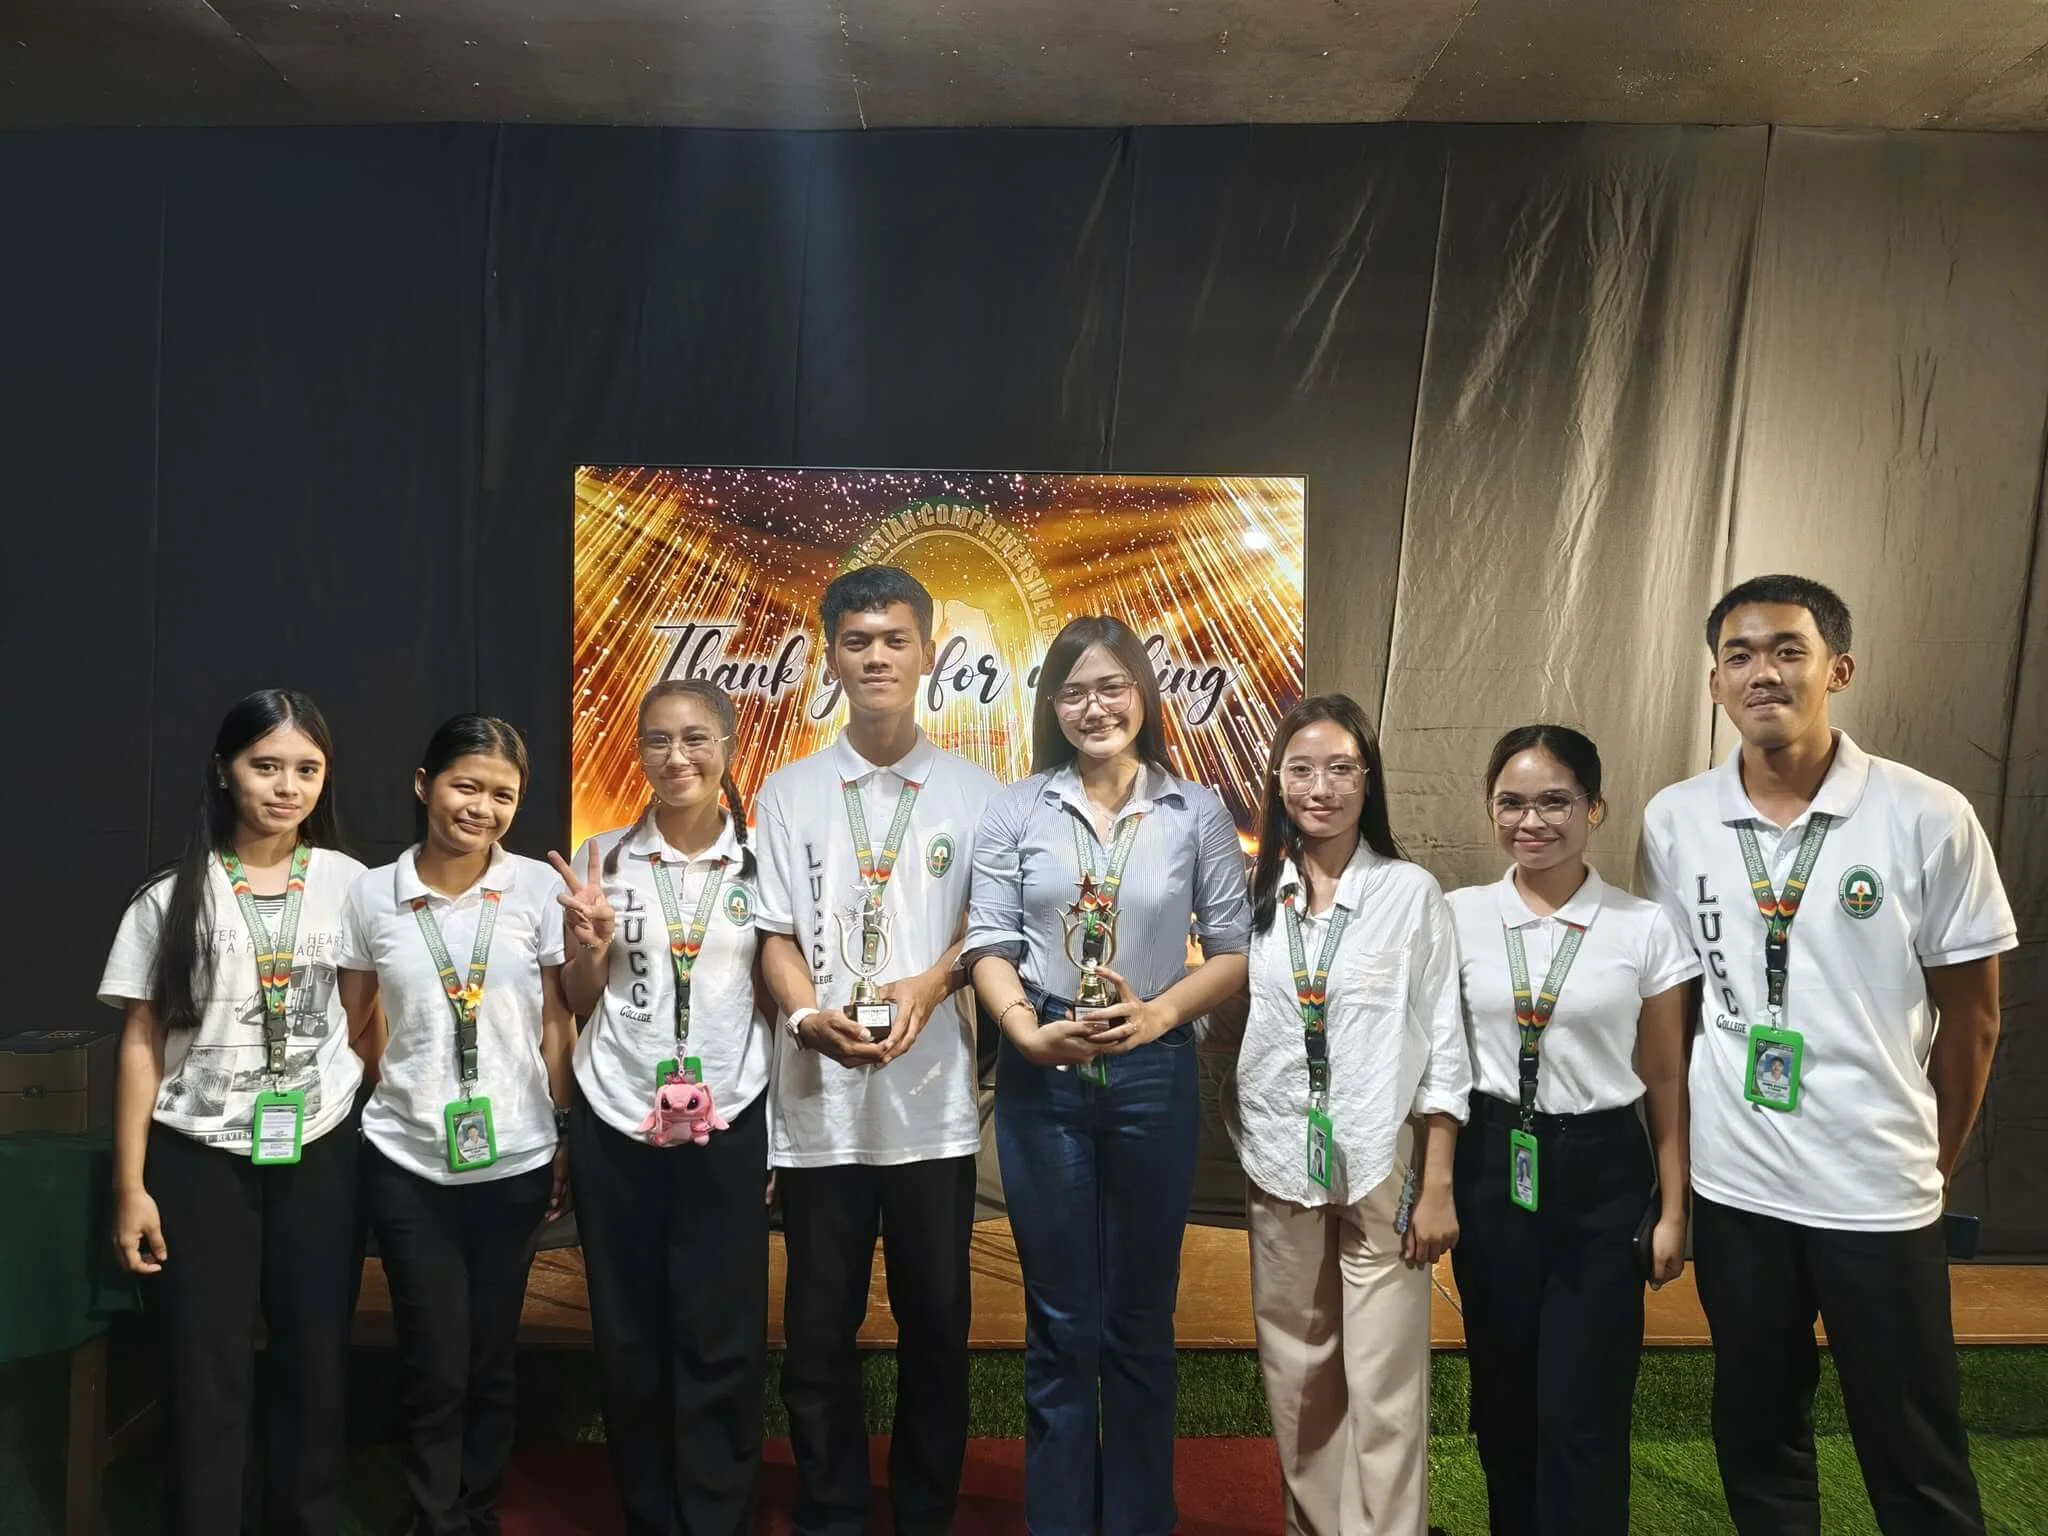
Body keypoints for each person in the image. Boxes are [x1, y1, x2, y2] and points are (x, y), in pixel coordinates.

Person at [1640, 574, 2014, 1535]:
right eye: (1738, 655)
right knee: (1758, 1429)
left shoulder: (1927, 814)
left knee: (1913, 1445)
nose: (1761, 672)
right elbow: (1673, 1010)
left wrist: (1929, 1162)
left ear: (1838, 670)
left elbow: (1974, 1020)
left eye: (1787, 651)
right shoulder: (1675, 817)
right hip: (1738, 1190)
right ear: (1715, 682)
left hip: (1875, 1191)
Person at [965, 615, 1252, 1536]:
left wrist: (1160, 1016)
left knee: (1138, 1318)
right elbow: (989, 944)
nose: (1095, 708)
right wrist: (1022, 1030)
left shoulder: (1195, 810)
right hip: (1043, 1069)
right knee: (1059, 1321)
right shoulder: (1017, 808)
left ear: (1143, 695)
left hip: (1153, 1069)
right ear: (1053, 705)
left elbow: (1233, 948)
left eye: (1112, 687)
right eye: (1075, 691)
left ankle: (1137, 1520)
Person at [754, 565, 999, 1536]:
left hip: (931, 1106)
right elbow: (774, 934)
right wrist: (805, 1015)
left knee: (936, 1325)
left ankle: (925, 1511)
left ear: (928, 654)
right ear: (831, 658)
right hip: (818, 1108)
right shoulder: (789, 791)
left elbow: (989, 930)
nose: (876, 657)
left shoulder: (978, 794)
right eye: (857, 642)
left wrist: (931, 985)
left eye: (895, 639)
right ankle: (831, 1511)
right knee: (818, 1331)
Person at [99, 689, 370, 1535]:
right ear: (225, 771)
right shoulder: (168, 896)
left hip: (319, 1150)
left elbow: (366, 1015)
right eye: (266, 766)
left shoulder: (352, 885)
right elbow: (141, 1044)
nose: (287, 788)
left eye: (306, 770)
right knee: (203, 1370)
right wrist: (131, 1186)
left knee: (315, 1363)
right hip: (197, 1155)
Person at [1213, 693, 1465, 1536]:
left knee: (1386, 1385)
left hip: (1380, 1161)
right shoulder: (1256, 897)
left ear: (1368, 780)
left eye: (1341, 769)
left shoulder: (1409, 893)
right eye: (1301, 769)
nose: (1320, 788)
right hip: (1277, 1156)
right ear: (1277, 782)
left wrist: (1436, 1182)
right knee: (1298, 1375)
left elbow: (1445, 1047)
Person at [1447, 724, 1697, 1535]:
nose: (1532, 822)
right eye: (1511, 803)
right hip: (1492, 1165)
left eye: (1555, 802)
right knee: (1505, 1397)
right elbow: (1437, 1064)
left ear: (1595, 808)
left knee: (1585, 1406)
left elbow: (1666, 1077)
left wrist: (1673, 1207)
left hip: (1601, 1171)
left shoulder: (1643, 926)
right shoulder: (1457, 916)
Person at [337, 715, 574, 1536]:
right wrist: (407, 1090)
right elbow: (356, 1022)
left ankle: (479, 1506)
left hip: (517, 1157)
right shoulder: (373, 893)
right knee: (434, 1356)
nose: (482, 808)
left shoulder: (536, 890)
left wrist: (560, 1128)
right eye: (465, 786)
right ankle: (434, 1514)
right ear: (423, 784)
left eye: (502, 795)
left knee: (491, 1354)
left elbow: (556, 1021)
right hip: (407, 1162)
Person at [553, 678, 772, 1536]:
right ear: (638, 750)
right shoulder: (603, 857)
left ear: (728, 748)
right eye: (656, 740)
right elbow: (579, 1001)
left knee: (722, 1333)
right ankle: (649, 1513)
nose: (675, 757)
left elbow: (775, 999)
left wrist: (778, 1136)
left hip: (729, 1117)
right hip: (617, 1117)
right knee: (630, 1332)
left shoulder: (760, 863)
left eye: (695, 739)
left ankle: (716, 1516)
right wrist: (590, 947)